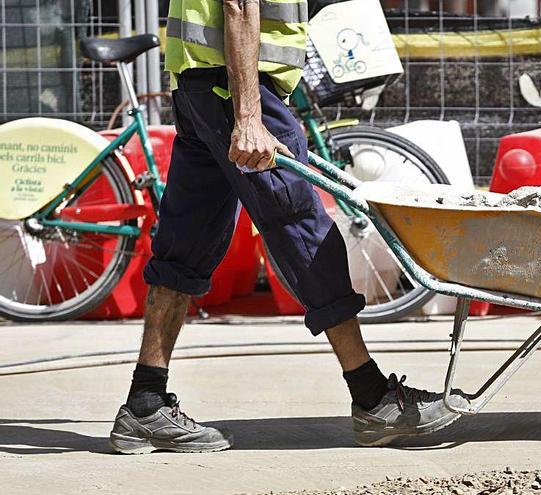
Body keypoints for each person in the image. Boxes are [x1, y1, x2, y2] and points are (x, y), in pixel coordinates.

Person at [109, 0, 466, 454]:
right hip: (234, 89)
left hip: (202, 88)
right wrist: (249, 117)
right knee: (304, 230)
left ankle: (144, 402)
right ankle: (373, 397)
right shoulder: (242, 102)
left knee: (187, 242)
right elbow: (239, 6)